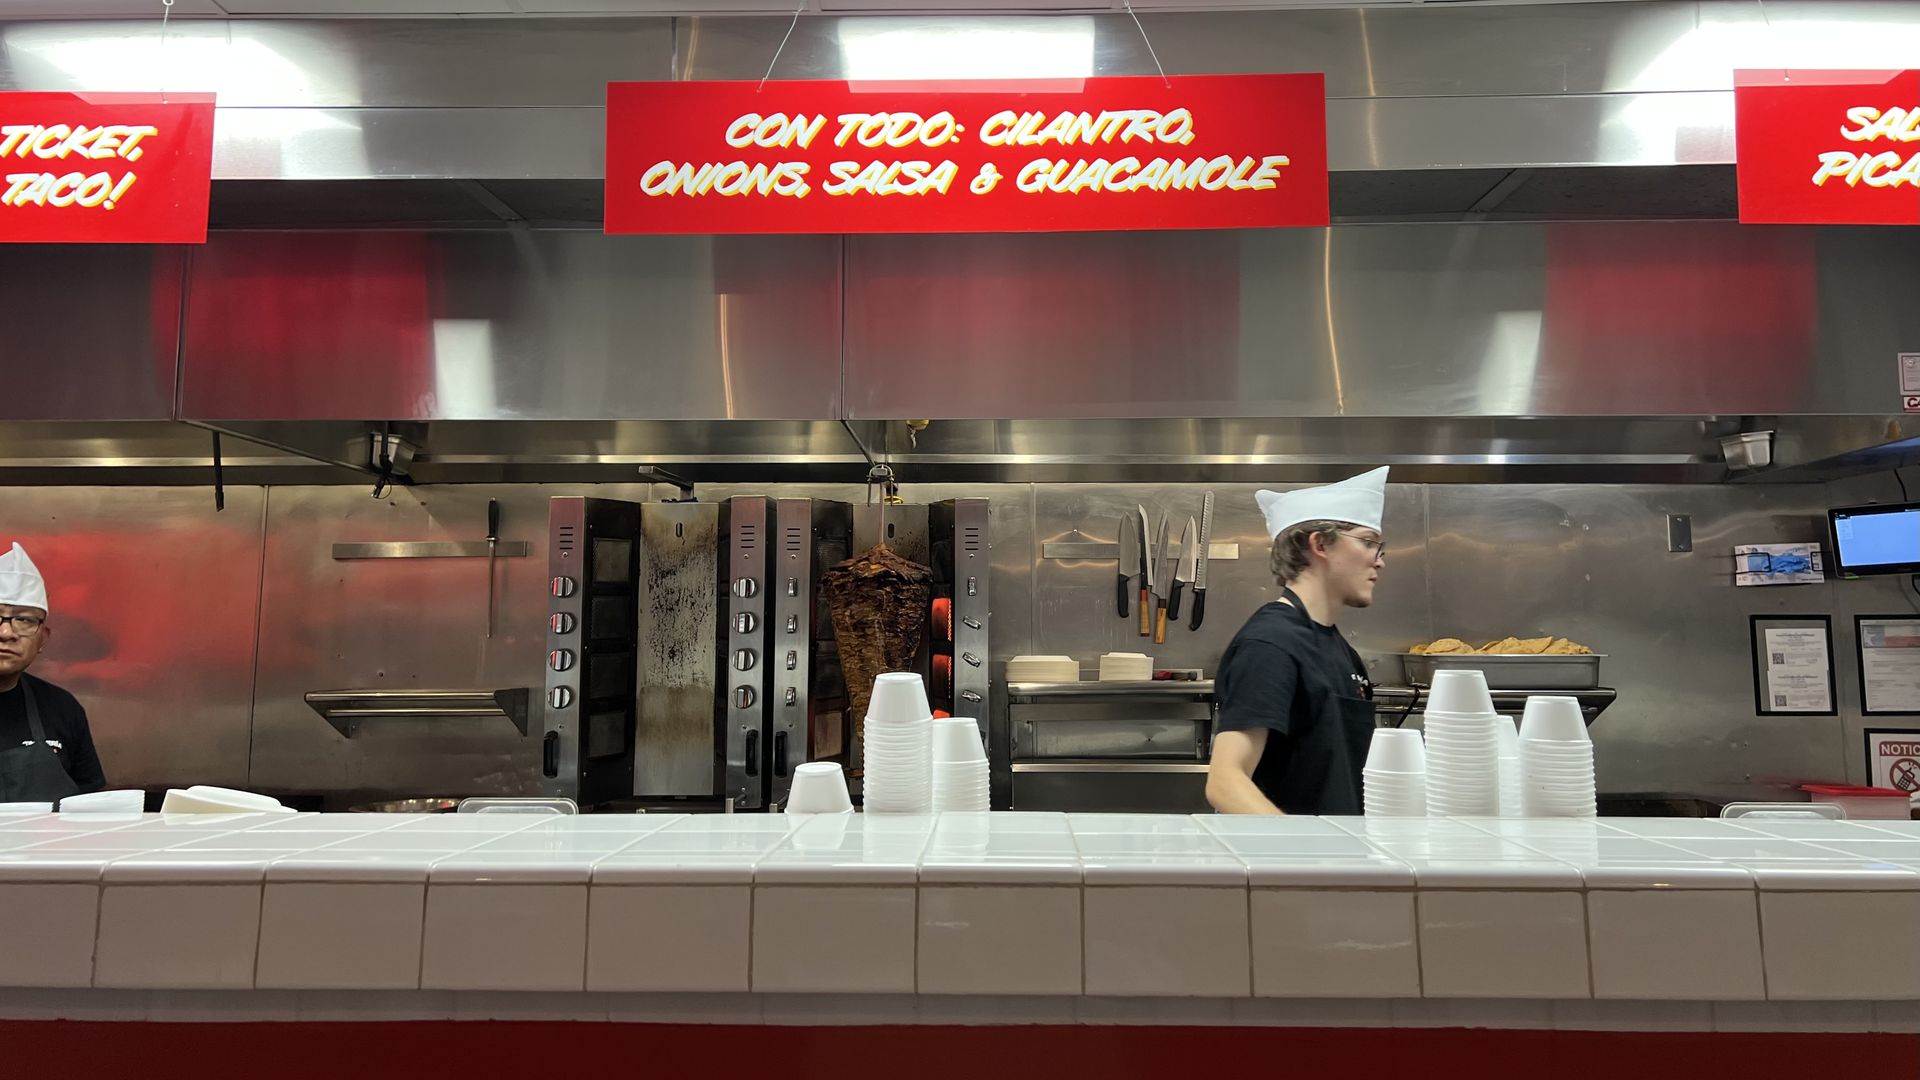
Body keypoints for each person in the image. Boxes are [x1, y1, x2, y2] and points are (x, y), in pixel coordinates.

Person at [1206, 468, 1387, 815]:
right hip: (1297, 864)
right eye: (1367, 542)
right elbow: (1226, 783)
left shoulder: (1337, 647)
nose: (1379, 560)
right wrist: (1303, 856)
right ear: (1320, 544)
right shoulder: (1271, 645)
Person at [0, 544, 105, 801]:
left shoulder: (62, 709)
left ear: (43, 639)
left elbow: (89, 806)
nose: (6, 633)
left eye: (24, 620)